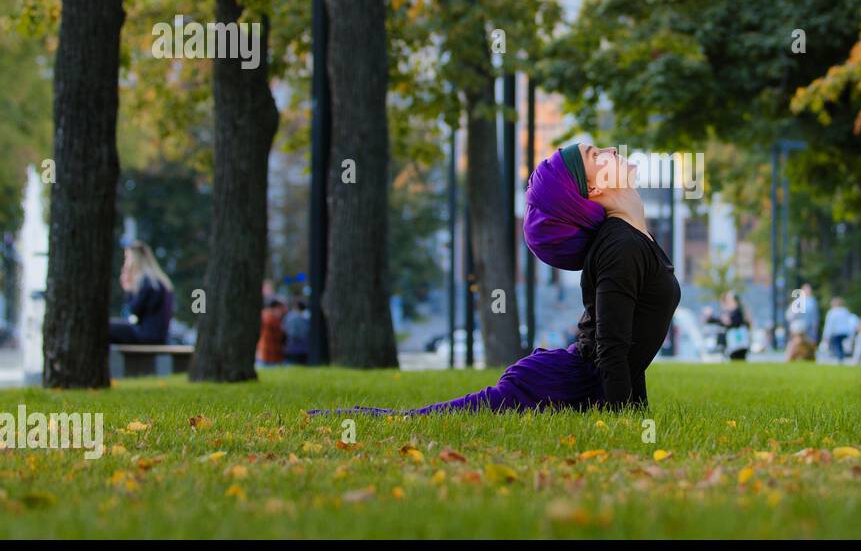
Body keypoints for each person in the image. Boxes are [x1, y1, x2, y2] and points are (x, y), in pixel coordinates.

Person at [311, 142, 681, 415]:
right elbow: (612, 348)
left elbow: (629, 348)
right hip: (556, 387)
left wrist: (637, 415)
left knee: (422, 419)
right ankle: (338, 415)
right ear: (595, 189)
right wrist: (622, 424)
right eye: (595, 155)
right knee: (418, 422)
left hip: (574, 382)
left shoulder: (631, 240)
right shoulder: (619, 246)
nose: (610, 149)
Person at [109, 241, 175, 345]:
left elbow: (135, 310)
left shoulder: (146, 281)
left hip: (147, 334)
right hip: (158, 335)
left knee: (107, 327)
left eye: (127, 258)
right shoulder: (157, 280)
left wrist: (128, 289)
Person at [718, 291, 751, 361]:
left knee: (739, 355)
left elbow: (738, 322)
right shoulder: (728, 311)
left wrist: (728, 322)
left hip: (738, 338)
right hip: (732, 338)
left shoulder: (739, 310)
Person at [822, 296, 857, 363]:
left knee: (837, 345)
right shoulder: (845, 311)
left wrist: (826, 336)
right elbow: (850, 322)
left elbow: (829, 325)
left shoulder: (831, 312)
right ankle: (841, 357)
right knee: (840, 345)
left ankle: (840, 358)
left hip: (836, 333)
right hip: (845, 332)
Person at [785, 282, 820, 346]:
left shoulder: (812, 301)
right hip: (800, 326)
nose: (808, 291)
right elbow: (791, 314)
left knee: (810, 340)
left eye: (809, 289)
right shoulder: (798, 300)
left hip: (810, 325)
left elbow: (815, 314)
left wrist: (815, 324)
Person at [257, 299, 287, 366]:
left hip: (265, 351)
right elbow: (280, 333)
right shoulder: (271, 317)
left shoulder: (264, 314)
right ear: (276, 308)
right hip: (270, 352)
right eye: (281, 308)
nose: (283, 311)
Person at [283, 299, 310, 365]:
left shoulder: (290, 317)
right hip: (304, 348)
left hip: (292, 347)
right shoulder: (305, 317)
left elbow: (290, 333)